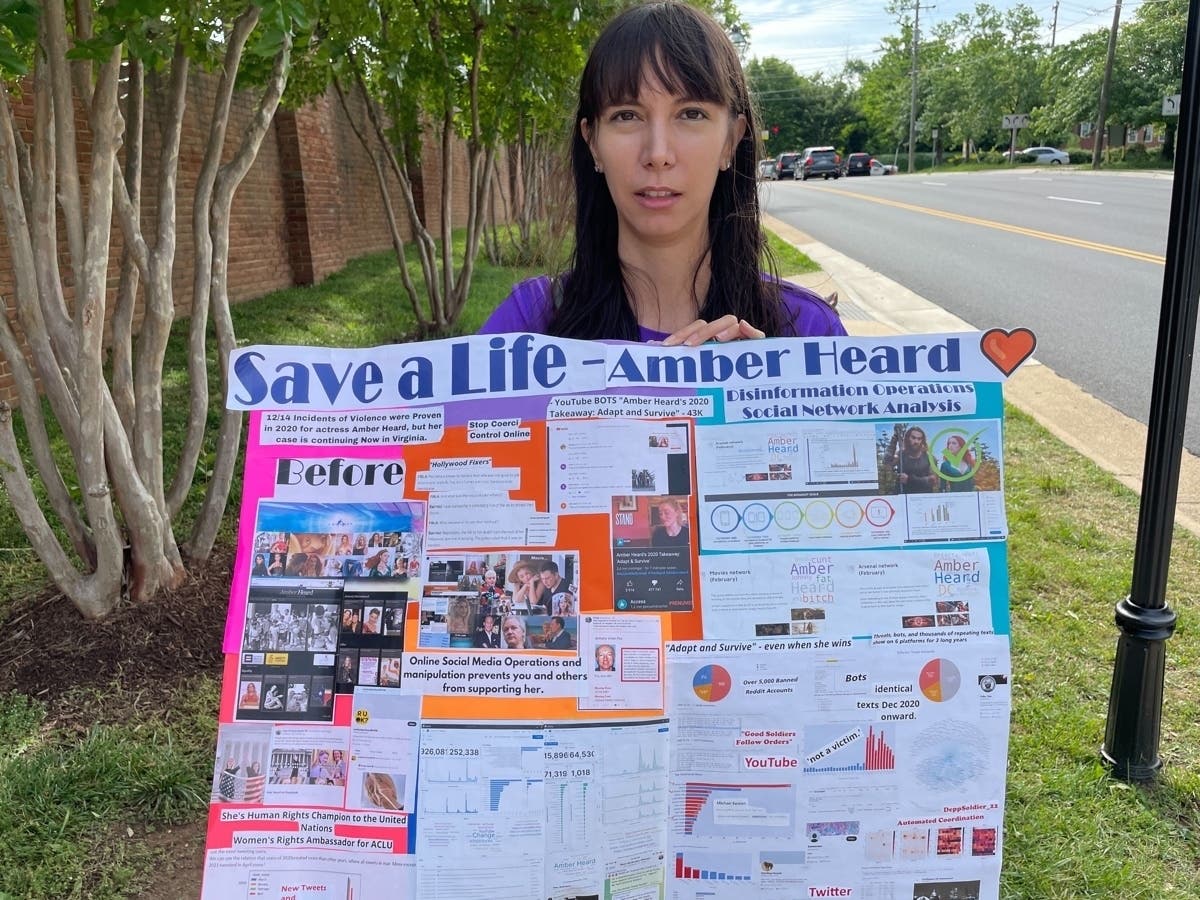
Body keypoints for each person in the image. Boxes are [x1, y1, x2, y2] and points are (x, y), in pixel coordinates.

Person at [479, 2, 845, 345]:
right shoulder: (526, 328)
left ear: (730, 141)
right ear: (592, 143)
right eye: (627, 116)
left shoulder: (809, 331)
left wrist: (768, 401)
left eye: (690, 114)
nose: (657, 154)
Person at [884, 425, 939, 494]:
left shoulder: (929, 458)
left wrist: (910, 480)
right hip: (903, 497)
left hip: (922, 497)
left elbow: (933, 480)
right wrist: (895, 438)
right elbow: (887, 462)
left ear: (922, 440)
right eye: (913, 438)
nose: (916, 441)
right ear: (907, 438)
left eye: (919, 439)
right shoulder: (901, 455)